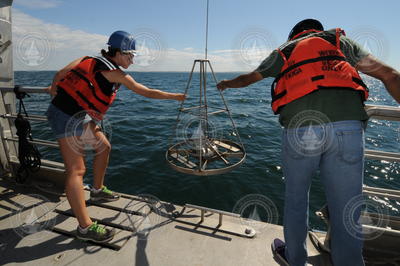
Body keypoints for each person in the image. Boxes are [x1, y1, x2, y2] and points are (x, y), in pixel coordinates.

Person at [217, 19, 400, 266]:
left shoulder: (285, 50)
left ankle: (295, 259)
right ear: (317, 30)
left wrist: (226, 84)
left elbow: (249, 78)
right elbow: (390, 75)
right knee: (347, 207)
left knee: (296, 199)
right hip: (347, 128)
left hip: (301, 130)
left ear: (294, 34)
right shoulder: (339, 42)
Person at [45, 30, 185, 243]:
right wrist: (175, 97)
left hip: (79, 115)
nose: (132, 60)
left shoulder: (86, 59)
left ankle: (97, 190)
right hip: (65, 117)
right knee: (76, 170)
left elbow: (59, 76)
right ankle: (85, 227)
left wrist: (55, 90)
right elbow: (145, 91)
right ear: (118, 53)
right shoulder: (117, 74)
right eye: (130, 56)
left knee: (104, 147)